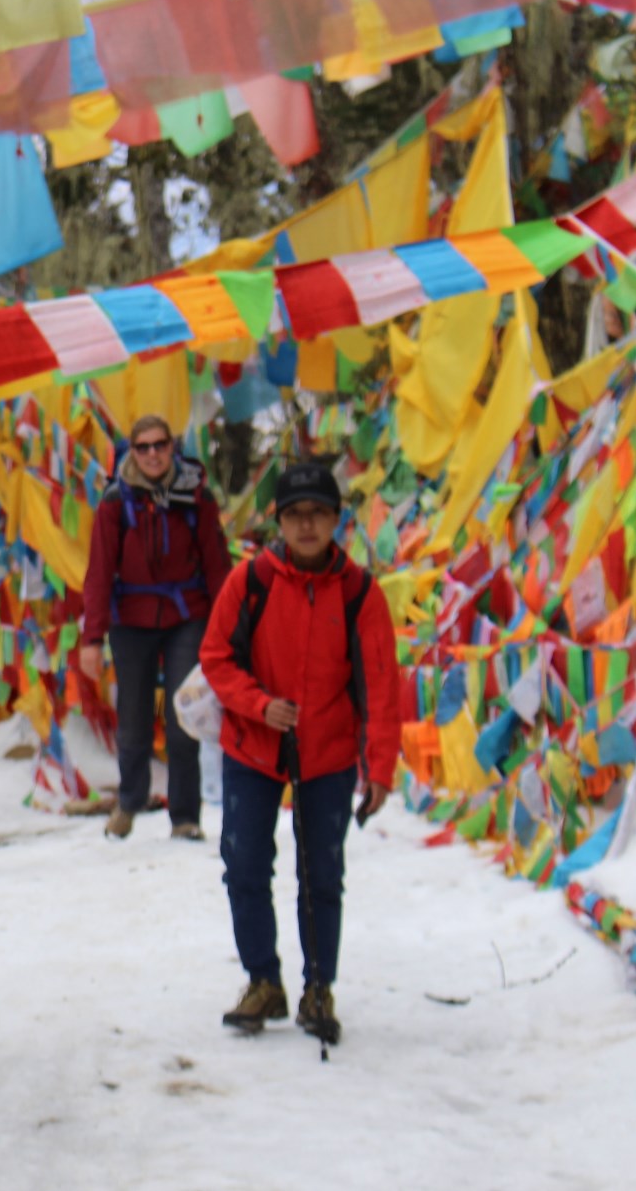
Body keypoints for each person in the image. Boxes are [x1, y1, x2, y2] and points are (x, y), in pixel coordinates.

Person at [197, 462, 401, 1046]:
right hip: (253, 747)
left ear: (337, 520)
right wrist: (258, 705)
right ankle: (264, 979)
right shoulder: (250, 581)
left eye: (317, 513)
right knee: (243, 866)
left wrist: (379, 766)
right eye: (294, 514)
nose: (306, 524)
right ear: (279, 521)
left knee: (321, 875)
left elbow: (382, 683)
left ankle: (319, 988)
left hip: (329, 754)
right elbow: (216, 656)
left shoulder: (360, 592)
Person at [79, 415, 234, 841]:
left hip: (189, 614)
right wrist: (91, 638)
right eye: (143, 447)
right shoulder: (115, 501)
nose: (152, 454)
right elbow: (98, 572)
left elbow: (217, 563)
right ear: (132, 451)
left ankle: (184, 816)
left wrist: (232, 625)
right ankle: (129, 802)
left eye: (159, 445)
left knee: (186, 712)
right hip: (130, 619)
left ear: (172, 447)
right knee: (133, 717)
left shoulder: (196, 497)